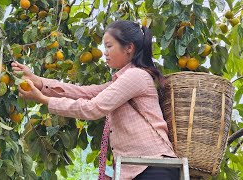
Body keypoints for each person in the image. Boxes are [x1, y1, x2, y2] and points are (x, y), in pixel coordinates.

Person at [12, 20, 179, 180]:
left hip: (153, 167)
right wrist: (39, 82)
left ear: (129, 47)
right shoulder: (123, 79)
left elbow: (93, 107)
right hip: (140, 168)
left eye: (109, 46)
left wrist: (44, 100)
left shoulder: (136, 76)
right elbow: (84, 93)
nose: (105, 52)